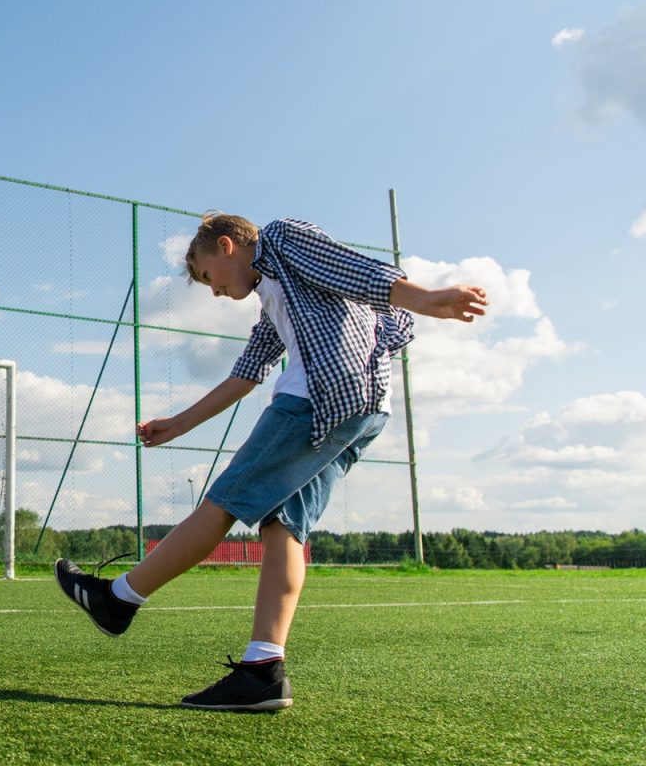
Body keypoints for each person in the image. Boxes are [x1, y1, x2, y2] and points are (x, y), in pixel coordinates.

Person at [54, 214, 488, 712]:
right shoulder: (275, 296)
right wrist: (179, 423)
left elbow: (353, 269)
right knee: (284, 526)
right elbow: (247, 372)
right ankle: (264, 669)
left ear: (226, 246)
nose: (213, 291)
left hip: (318, 400)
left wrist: (427, 300)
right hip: (363, 412)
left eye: (206, 277)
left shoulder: (282, 240)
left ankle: (119, 600)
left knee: (225, 500)